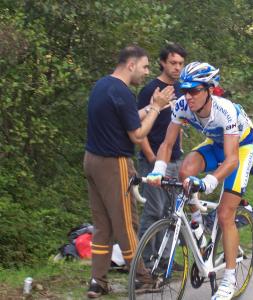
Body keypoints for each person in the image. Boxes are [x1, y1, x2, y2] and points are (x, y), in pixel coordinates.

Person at [147, 62, 253, 300]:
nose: (189, 95)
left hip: (239, 150)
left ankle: (229, 280)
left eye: (195, 90)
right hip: (214, 144)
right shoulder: (183, 106)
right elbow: (166, 144)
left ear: (210, 89)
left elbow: (231, 160)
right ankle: (197, 228)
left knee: (225, 214)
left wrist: (210, 181)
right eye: (185, 89)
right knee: (185, 170)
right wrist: (158, 170)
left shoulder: (225, 110)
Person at [83, 45, 174, 298]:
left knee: (102, 226)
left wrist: (156, 107)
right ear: (131, 64)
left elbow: (128, 118)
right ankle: (143, 278)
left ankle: (97, 281)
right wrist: (155, 107)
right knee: (126, 224)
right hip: (114, 163)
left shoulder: (103, 85)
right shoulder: (121, 91)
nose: (146, 72)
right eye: (145, 66)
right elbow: (136, 134)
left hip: (91, 160)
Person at [137, 44, 187, 262]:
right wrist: (150, 157)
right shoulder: (150, 90)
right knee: (154, 211)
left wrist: (180, 148)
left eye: (180, 64)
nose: (177, 68)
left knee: (171, 213)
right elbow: (138, 128)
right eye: (173, 63)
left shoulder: (181, 89)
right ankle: (145, 263)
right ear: (162, 63)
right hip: (154, 160)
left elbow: (178, 122)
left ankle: (165, 260)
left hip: (175, 158)